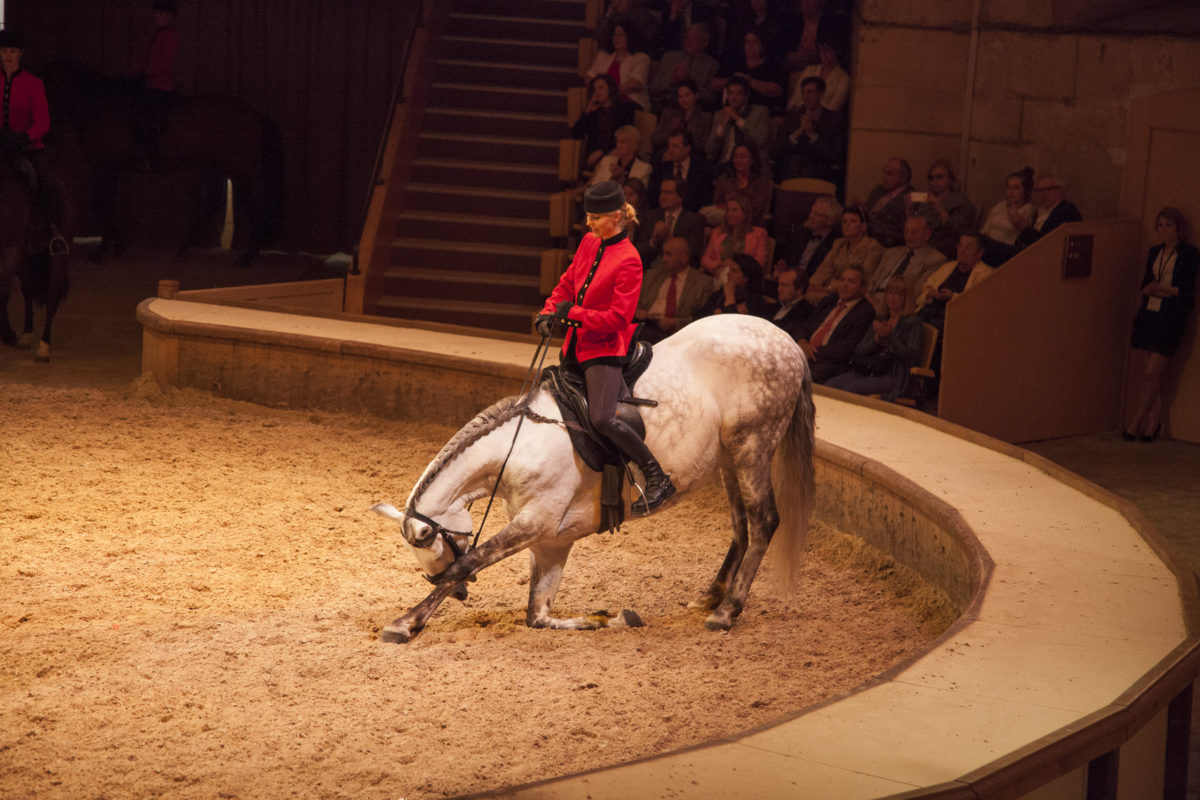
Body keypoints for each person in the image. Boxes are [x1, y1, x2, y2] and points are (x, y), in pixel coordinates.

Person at [535, 181, 676, 513]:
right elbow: (568, 282)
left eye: (595, 217)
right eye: (588, 216)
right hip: (576, 343)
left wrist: (572, 314)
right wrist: (548, 309)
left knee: (602, 417)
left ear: (616, 216)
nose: (589, 223)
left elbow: (616, 318)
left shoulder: (630, 260)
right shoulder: (588, 241)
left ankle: (658, 478)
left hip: (605, 347)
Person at [1123, 207, 1198, 442]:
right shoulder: (1155, 251)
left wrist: (1162, 289)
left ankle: (1136, 420)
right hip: (1150, 311)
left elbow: (1185, 290)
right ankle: (1154, 420)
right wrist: (1147, 289)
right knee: (1148, 372)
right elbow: (1146, 281)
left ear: (1178, 228)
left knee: (1151, 370)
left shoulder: (1189, 254)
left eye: (1168, 225)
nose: (1163, 230)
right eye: (1160, 225)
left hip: (1170, 314)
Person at [0, 30, 65, 254]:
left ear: (20, 54)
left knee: (45, 181)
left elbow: (43, 121)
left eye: (13, 51)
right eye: (5, 51)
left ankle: (51, 230)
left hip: (26, 146)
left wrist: (24, 136)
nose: (8, 56)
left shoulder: (33, 83)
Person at [826, 276, 925, 400]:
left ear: (907, 298)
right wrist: (876, 341)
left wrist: (890, 338)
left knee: (850, 390)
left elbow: (912, 356)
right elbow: (859, 350)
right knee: (830, 386)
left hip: (893, 375)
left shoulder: (912, 323)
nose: (892, 297)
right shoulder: (881, 319)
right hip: (869, 369)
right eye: (890, 292)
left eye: (899, 294)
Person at [795, 265, 876, 382]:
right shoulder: (829, 300)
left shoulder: (865, 312)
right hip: (804, 352)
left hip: (828, 361)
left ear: (863, 288)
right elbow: (805, 326)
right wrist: (802, 341)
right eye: (842, 280)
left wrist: (811, 352)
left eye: (851, 281)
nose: (844, 284)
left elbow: (847, 348)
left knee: (799, 377)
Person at [129, 0, 180, 170]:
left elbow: (166, 64)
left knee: (148, 114)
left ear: (169, 16)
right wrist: (130, 73)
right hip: (150, 83)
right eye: (156, 13)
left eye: (161, 13)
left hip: (161, 85)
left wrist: (147, 72)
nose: (156, 16)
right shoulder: (156, 35)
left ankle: (152, 153)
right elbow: (144, 59)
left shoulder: (169, 36)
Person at [635, 235, 713, 343]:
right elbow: (633, 302)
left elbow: (703, 318)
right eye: (663, 254)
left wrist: (675, 323)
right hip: (646, 326)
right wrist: (637, 312)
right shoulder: (651, 275)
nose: (663, 259)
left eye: (669, 255)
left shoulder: (703, 283)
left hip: (679, 334)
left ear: (683, 258)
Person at [772, 75, 846, 185]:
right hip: (793, 175)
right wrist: (797, 133)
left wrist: (812, 135)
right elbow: (777, 151)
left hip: (820, 177)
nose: (805, 97)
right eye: (803, 92)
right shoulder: (793, 117)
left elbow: (835, 155)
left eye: (810, 92)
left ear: (820, 94)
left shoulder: (834, 120)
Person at [866, 215, 946, 315]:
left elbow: (916, 292)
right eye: (906, 231)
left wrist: (879, 304)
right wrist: (867, 297)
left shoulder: (935, 259)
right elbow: (873, 280)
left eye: (914, 232)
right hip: (870, 299)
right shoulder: (891, 252)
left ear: (927, 235)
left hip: (895, 305)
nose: (908, 236)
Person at [914, 232, 995, 332]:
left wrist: (953, 297)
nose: (962, 250)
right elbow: (925, 288)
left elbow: (978, 306)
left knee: (918, 328)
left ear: (979, 253)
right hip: (928, 311)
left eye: (968, 247)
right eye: (960, 246)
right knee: (906, 321)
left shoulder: (986, 275)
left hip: (952, 320)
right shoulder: (948, 266)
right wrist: (930, 293)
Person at [806, 205, 883, 303]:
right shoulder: (838, 244)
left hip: (854, 294)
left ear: (863, 226)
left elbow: (862, 279)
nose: (847, 225)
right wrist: (812, 285)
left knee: (815, 298)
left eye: (853, 221)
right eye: (844, 221)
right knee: (806, 295)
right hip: (832, 291)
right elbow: (824, 269)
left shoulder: (873, 247)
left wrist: (828, 288)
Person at [910, 158, 976, 260]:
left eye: (939, 177)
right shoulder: (925, 200)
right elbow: (914, 224)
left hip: (941, 246)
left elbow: (960, 232)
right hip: (918, 242)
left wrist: (940, 209)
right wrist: (908, 209)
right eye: (931, 178)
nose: (934, 181)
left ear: (950, 179)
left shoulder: (961, 202)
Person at [709, 30, 788, 116]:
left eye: (755, 41)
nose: (751, 45)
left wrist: (748, 80)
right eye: (747, 42)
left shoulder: (773, 65)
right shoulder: (734, 63)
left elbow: (777, 91)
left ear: (763, 43)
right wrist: (733, 80)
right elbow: (713, 85)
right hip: (730, 111)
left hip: (760, 113)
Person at [572, 74, 638, 171]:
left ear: (610, 89)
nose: (596, 92)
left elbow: (626, 136)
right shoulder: (593, 112)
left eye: (601, 88)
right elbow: (576, 134)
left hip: (618, 151)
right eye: (594, 89)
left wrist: (602, 151)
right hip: (595, 156)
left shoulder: (625, 109)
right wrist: (587, 112)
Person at [647, 24, 720, 111]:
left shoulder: (711, 65)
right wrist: (672, 81)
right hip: (664, 107)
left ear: (705, 42)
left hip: (693, 112)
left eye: (693, 39)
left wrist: (689, 81)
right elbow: (653, 88)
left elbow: (710, 99)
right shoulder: (669, 57)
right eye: (686, 38)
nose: (688, 42)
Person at [634, 176, 705, 265]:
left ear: (680, 197)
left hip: (680, 268)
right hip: (653, 268)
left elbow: (693, 255)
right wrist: (653, 241)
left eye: (668, 192)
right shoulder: (650, 217)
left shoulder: (693, 221)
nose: (662, 196)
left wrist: (668, 237)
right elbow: (638, 250)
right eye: (662, 192)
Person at [704, 76, 771, 171]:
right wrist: (722, 125)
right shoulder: (720, 115)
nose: (733, 98)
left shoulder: (760, 111)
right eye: (731, 93)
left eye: (738, 93)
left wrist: (738, 119)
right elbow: (709, 151)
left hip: (752, 165)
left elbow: (761, 140)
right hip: (726, 165)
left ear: (746, 95)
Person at [585, 20, 652, 111]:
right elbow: (590, 77)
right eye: (614, 35)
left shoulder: (641, 58)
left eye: (620, 35)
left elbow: (636, 84)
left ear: (630, 36)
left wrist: (608, 93)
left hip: (630, 102)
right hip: (603, 101)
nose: (616, 39)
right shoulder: (603, 56)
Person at [700, 193, 769, 277]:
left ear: (745, 214)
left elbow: (759, 262)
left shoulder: (759, 234)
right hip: (719, 274)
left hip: (743, 278)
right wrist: (720, 265)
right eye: (728, 210)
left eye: (734, 210)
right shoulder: (717, 232)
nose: (729, 214)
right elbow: (705, 260)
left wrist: (734, 267)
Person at [774, 193, 840, 279]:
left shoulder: (836, 243)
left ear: (830, 220)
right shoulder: (801, 232)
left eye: (817, 214)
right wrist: (782, 268)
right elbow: (787, 259)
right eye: (812, 211)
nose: (811, 216)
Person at [1013, 171, 1082, 251]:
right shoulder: (1040, 212)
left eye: (1047, 190)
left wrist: (1024, 228)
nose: (1042, 195)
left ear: (1060, 191)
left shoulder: (1066, 210)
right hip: (1027, 253)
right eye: (1039, 191)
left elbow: (1046, 243)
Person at [647, 129, 715, 212]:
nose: (670, 150)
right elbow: (652, 197)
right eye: (669, 145)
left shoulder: (702, 170)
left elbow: (705, 199)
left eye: (675, 146)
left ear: (687, 149)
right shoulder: (661, 168)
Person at [979, 166, 1035, 266]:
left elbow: (1014, 228)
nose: (1011, 192)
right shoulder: (1001, 205)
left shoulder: (1028, 208)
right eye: (1009, 188)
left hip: (1005, 250)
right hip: (988, 244)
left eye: (1016, 188)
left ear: (1025, 190)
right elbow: (987, 226)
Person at [705, 143, 772, 226]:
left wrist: (738, 201)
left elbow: (759, 208)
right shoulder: (724, 179)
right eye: (736, 157)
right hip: (725, 220)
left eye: (743, 157)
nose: (738, 160)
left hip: (751, 223)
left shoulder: (761, 181)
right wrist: (727, 202)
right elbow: (717, 203)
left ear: (752, 160)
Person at [698, 252, 778, 318]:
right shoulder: (720, 294)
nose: (728, 274)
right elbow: (699, 317)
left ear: (746, 278)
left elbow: (733, 326)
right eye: (730, 270)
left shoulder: (754, 302)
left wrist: (730, 298)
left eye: (734, 271)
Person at [649, 80, 713, 158]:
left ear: (696, 96)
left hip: (691, 157)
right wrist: (671, 132)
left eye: (687, 95)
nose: (683, 100)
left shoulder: (705, 117)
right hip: (667, 153)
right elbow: (655, 139)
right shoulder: (669, 113)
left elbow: (703, 145)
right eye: (680, 96)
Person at [863, 157, 913, 248]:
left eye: (890, 173)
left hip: (882, 243)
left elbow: (901, 233)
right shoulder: (878, 190)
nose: (884, 177)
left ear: (904, 177)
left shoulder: (910, 198)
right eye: (884, 173)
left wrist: (871, 222)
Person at [789, 37, 850, 112]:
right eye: (821, 50)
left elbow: (834, 107)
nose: (823, 53)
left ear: (837, 51)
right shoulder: (810, 70)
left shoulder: (843, 78)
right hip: (800, 114)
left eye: (827, 50)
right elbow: (796, 97)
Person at [769, 268, 815, 339]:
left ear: (799, 290)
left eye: (784, 285)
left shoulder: (807, 311)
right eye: (779, 284)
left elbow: (791, 332)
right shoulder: (773, 307)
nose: (779, 289)